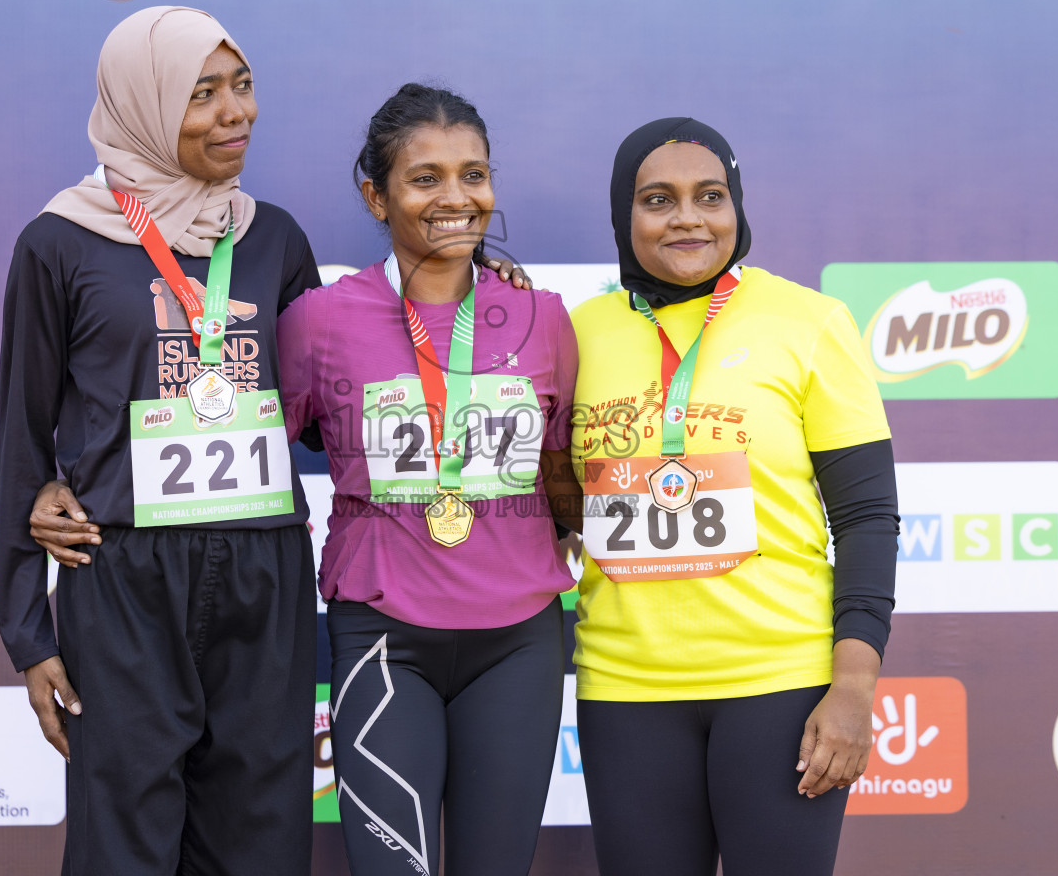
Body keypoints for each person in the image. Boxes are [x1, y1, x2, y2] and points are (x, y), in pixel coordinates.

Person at [0, 6, 324, 876]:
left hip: (264, 569)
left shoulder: (276, 237)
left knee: (260, 836)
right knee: (124, 838)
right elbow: (23, 440)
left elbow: (327, 400)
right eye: (201, 94)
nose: (235, 113)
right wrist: (27, 632)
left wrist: (474, 285)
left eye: (242, 87)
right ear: (142, 104)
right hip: (124, 572)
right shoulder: (60, 242)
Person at [550, 118, 900, 876]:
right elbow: (558, 500)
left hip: (781, 687)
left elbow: (868, 519)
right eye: (657, 199)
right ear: (623, 215)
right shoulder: (577, 334)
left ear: (737, 206)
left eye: (710, 196)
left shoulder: (808, 323)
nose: (687, 217)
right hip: (626, 690)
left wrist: (853, 688)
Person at [274, 83, 577, 876]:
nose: (456, 198)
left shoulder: (544, 316)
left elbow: (560, 468)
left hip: (520, 642)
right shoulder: (319, 320)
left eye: (473, 176)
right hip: (382, 635)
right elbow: (267, 441)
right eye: (426, 178)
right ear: (376, 196)